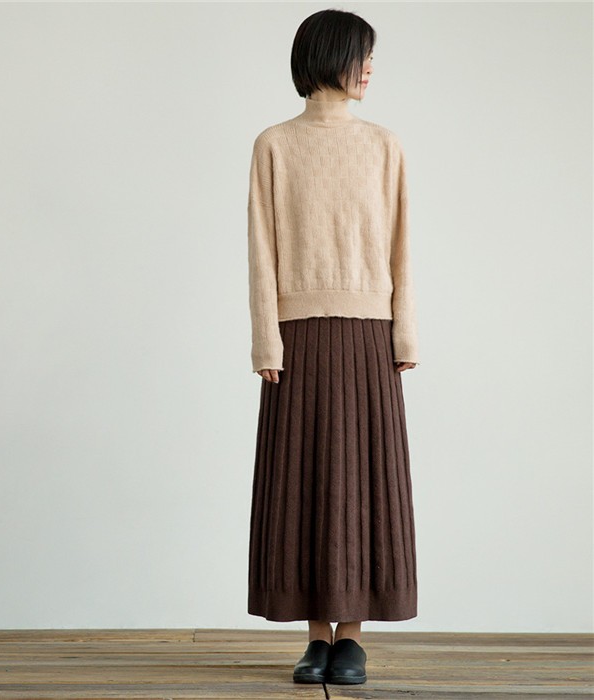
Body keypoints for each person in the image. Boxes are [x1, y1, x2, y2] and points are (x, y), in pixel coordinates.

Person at [246, 8, 420, 687]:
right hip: (297, 334)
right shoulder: (275, 145)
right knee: (307, 483)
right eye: (360, 56)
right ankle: (316, 637)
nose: (370, 69)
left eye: (371, 58)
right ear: (327, 57)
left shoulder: (384, 145)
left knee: (364, 483)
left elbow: (402, 246)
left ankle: (352, 639)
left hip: (369, 334)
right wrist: (266, 337)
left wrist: (404, 331)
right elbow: (262, 247)